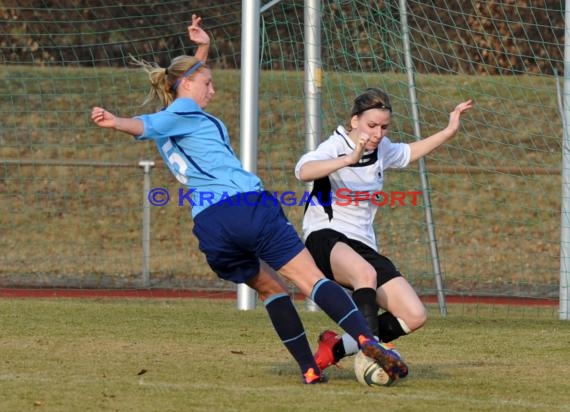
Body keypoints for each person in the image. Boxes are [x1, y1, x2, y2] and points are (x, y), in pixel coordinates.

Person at [91, 18, 408, 384]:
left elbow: (171, 101)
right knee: (311, 280)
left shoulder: (175, 114)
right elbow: (144, 124)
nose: (212, 89)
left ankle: (308, 368)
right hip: (245, 207)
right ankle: (367, 338)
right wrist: (116, 122)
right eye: (207, 83)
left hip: (210, 225)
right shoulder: (182, 112)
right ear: (187, 84)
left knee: (271, 288)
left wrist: (203, 47)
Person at [295, 87, 473, 370]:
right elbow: (304, 170)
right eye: (372, 125)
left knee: (414, 315)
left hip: (362, 244)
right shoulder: (336, 145)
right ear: (355, 121)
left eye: (384, 127)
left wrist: (448, 131)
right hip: (324, 236)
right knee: (366, 273)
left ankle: (337, 346)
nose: (378, 133)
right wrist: (346, 160)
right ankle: (371, 353)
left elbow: (409, 152)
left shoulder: (382, 149)